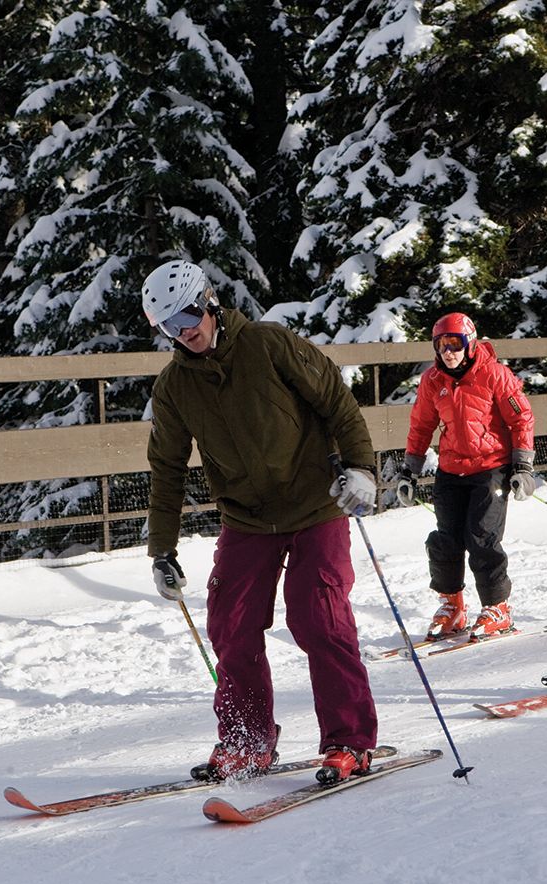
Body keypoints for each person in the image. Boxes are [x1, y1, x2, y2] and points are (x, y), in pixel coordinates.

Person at [141, 259, 379, 785]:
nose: (184, 333)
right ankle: (247, 740)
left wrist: (362, 468)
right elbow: (167, 469)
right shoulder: (175, 386)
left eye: (187, 317)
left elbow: (337, 403)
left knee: (318, 617)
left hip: (315, 504)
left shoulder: (270, 344)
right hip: (247, 519)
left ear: (207, 301)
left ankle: (349, 740)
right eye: (169, 328)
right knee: (231, 624)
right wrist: (162, 549)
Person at [394, 313, 536, 642]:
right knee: (446, 539)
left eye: (455, 343)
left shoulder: (495, 375)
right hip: (450, 470)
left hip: (491, 467)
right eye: (441, 345)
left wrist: (522, 467)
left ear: (469, 342)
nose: (449, 351)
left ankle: (497, 607)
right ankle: (452, 606)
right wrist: (409, 472)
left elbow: (521, 418)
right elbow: (420, 426)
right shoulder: (432, 381)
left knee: (482, 537)